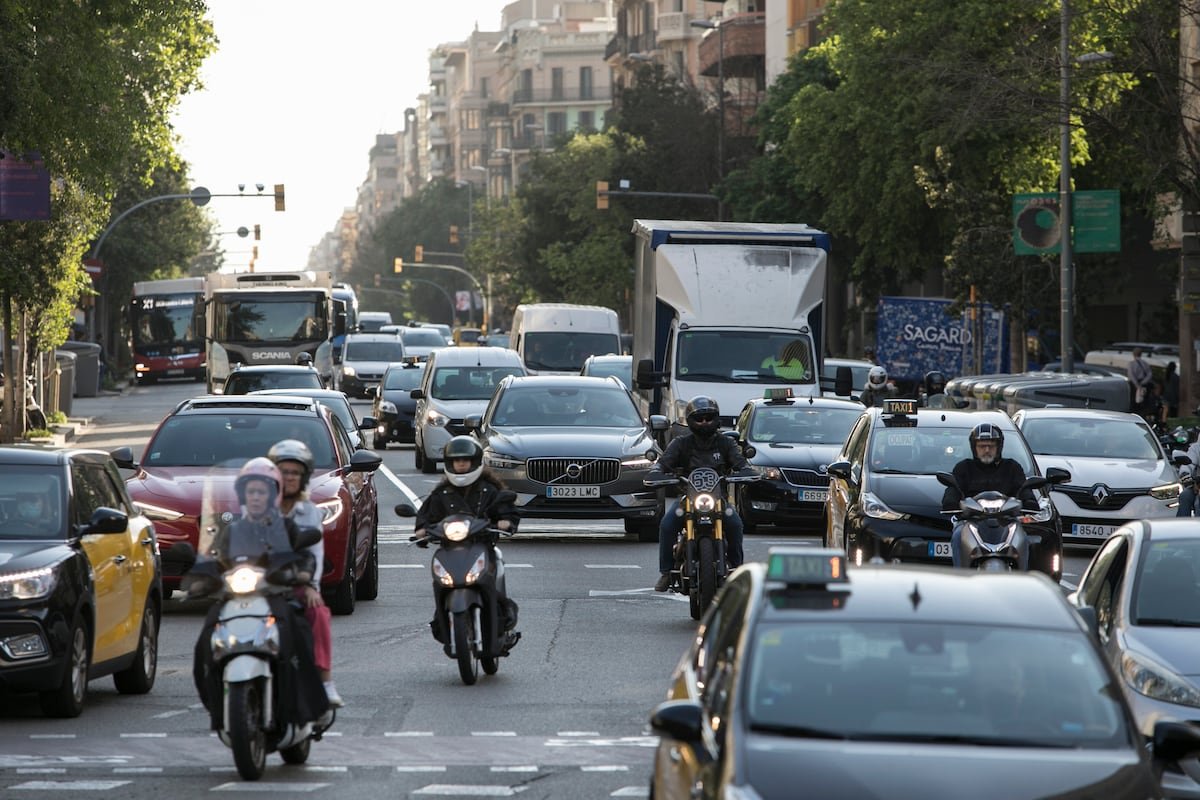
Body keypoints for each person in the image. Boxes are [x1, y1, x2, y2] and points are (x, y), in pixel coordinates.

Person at [192, 458, 329, 730]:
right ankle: (216, 704)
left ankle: (306, 703)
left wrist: (301, 572)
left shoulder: (285, 527)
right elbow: (213, 559)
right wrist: (201, 577)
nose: (256, 497)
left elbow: (304, 556)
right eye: (251, 491)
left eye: (262, 492)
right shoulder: (231, 529)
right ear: (242, 495)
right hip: (234, 598)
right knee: (205, 640)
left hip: (274, 596)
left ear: (272, 495)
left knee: (297, 634)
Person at [413, 436, 521, 646]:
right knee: (441, 583)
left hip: (481, 547)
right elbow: (426, 516)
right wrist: (421, 530)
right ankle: (443, 620)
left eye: (466, 460)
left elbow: (506, 509)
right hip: (450, 550)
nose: (461, 464)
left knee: (494, 574)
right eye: (456, 460)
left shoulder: (490, 489)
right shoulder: (441, 493)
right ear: (449, 463)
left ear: (476, 462)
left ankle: (501, 618)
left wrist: (505, 521)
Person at [650, 396, 752, 592]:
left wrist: (746, 470)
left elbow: (740, 462)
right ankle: (665, 572)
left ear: (716, 419)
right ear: (690, 421)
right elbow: (663, 463)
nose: (704, 422)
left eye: (709, 417)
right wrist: (657, 471)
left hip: (718, 500)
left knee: (736, 524)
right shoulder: (681, 443)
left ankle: (737, 569)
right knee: (667, 524)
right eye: (699, 418)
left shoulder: (726, 443)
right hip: (687, 500)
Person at [268, 439, 342, 708]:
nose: (288, 478)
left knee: (318, 612)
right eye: (282, 472)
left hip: (293, 582)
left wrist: (311, 585)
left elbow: (315, 554)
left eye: (294, 473)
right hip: (257, 584)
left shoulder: (309, 512)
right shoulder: (256, 505)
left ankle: (325, 681)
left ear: (303, 478)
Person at [941, 423, 1038, 570]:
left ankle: (1021, 579)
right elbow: (952, 489)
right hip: (972, 521)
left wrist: (1029, 501)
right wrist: (951, 502)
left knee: (1022, 538)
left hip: (1006, 522)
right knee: (958, 535)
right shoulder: (963, 468)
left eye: (991, 446)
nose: (987, 450)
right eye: (982, 446)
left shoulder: (1012, 468)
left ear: (999, 447)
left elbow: (1024, 489)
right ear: (974, 448)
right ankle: (960, 578)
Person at [1175, 431, 1200, 517]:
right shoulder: (1196, 448)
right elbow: (1189, 463)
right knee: (1185, 496)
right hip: (1198, 485)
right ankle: (1182, 527)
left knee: (1198, 503)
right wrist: (1185, 474)